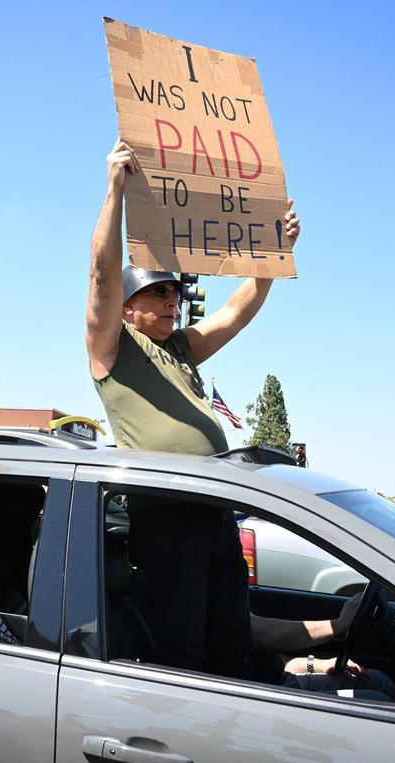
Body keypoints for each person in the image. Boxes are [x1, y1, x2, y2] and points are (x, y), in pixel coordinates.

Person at [87, 138, 300, 679]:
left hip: (214, 510)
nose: (170, 301)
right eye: (157, 293)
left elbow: (233, 314)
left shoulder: (178, 347)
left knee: (231, 642)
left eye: (172, 293)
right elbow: (103, 276)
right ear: (128, 308)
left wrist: (272, 257)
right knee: (182, 653)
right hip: (168, 519)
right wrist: (114, 191)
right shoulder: (111, 349)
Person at [250, 603, 395, 699]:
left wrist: (320, 665)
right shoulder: (227, 597)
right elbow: (265, 633)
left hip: (284, 680)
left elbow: (284, 663)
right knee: (380, 703)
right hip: (267, 696)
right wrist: (340, 625)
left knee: (379, 680)